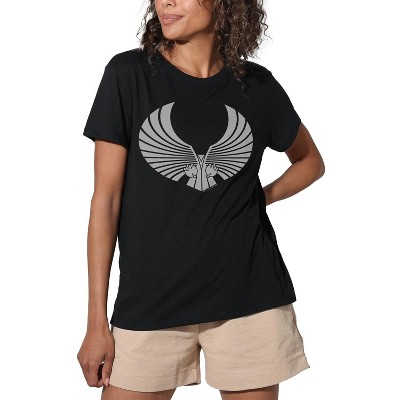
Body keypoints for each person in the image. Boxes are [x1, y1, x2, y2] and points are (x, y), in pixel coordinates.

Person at [77, 0, 325, 399]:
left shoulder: (257, 86)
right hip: (150, 301)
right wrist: (96, 323)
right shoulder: (129, 75)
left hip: (249, 297)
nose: (165, 1)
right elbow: (106, 201)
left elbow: (310, 161)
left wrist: (259, 198)